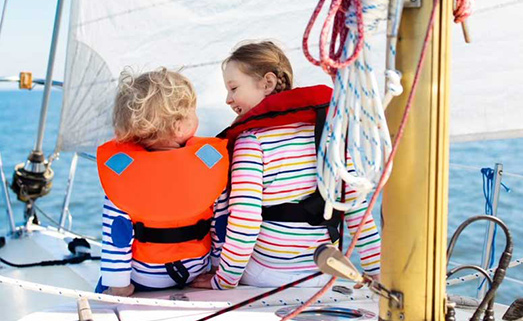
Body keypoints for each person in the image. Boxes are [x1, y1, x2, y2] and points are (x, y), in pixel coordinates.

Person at [192, 41, 381, 290]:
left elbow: (245, 222)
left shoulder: (252, 141)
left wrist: (223, 281)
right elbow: (356, 208)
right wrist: (376, 272)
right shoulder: (329, 132)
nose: (228, 99)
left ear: (268, 83)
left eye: (234, 88)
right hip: (320, 274)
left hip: (265, 273)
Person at [95, 68, 229, 296]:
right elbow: (220, 224)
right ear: (179, 126)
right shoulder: (209, 161)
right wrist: (217, 269)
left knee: (100, 288)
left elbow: (117, 234)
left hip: (146, 277)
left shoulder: (122, 170)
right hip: (195, 270)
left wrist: (118, 285)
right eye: (193, 112)